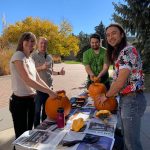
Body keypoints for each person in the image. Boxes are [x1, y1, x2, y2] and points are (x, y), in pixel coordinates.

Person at [99, 23, 146, 150]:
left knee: (132, 144)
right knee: (127, 140)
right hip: (127, 99)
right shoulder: (120, 53)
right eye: (108, 35)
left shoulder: (127, 50)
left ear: (122, 34)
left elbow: (120, 82)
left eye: (114, 33)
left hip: (132, 99)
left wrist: (106, 96)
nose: (110, 37)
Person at [9, 32, 57, 140]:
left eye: (32, 41)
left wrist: (49, 90)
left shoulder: (30, 59)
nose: (30, 43)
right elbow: (27, 80)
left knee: (29, 134)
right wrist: (49, 92)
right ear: (22, 41)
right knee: (21, 136)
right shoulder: (18, 55)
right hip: (19, 103)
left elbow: (38, 79)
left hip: (31, 100)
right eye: (27, 40)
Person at [31, 37, 65, 127]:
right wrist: (41, 67)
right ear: (38, 44)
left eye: (45, 43)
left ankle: (44, 128)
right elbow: (30, 71)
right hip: (39, 89)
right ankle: (36, 130)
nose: (43, 45)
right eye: (41, 43)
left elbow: (51, 71)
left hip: (49, 89)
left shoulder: (49, 57)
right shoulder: (33, 56)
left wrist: (59, 73)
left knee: (47, 111)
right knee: (37, 112)